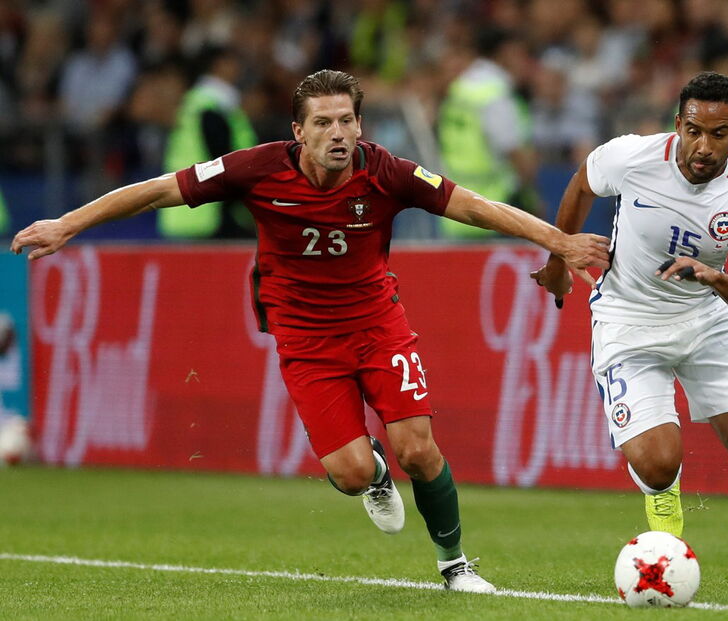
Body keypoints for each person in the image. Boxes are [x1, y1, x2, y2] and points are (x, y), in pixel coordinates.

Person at [11, 69, 610, 593]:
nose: (338, 134)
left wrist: (557, 241)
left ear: (360, 125)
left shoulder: (388, 171)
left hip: (379, 323)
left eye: (347, 120)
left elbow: (473, 205)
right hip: (304, 338)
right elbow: (161, 190)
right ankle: (374, 475)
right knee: (351, 472)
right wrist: (69, 224)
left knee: (418, 447)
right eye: (323, 122)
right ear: (298, 132)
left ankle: (455, 566)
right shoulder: (256, 169)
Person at [532, 72, 728, 592]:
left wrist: (716, 276)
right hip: (628, 320)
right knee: (657, 464)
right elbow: (584, 180)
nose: (703, 147)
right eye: (694, 130)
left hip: (707, 320)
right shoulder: (631, 157)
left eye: (718, 134)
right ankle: (667, 540)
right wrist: (559, 257)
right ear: (678, 123)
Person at [437, 27, 540, 239]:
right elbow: (515, 152)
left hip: (453, 208)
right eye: (521, 54)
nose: (525, 62)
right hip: (495, 210)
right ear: (505, 53)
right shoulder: (495, 94)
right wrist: (532, 197)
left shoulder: (460, 89)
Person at [160, 46, 258, 239]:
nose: (238, 67)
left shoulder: (193, 104)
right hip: (210, 212)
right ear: (218, 66)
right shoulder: (211, 107)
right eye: (232, 61)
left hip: (184, 210)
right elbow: (225, 161)